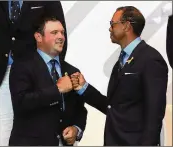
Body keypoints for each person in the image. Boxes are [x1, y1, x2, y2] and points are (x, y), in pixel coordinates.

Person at [71, 6, 168, 145]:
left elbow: (154, 114)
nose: (110, 28)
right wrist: (84, 88)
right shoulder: (121, 62)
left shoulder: (150, 59)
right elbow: (113, 107)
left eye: (112, 24)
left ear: (127, 26)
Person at [8, 16, 87, 146]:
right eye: (54, 32)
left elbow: (80, 109)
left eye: (62, 32)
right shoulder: (22, 66)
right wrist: (57, 90)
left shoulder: (72, 70)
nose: (61, 36)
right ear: (38, 37)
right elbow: (21, 103)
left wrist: (76, 129)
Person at [0, 1, 67, 145]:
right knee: (2, 135)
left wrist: (54, 71)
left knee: (38, 128)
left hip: (35, 73)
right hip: (2, 73)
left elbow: (59, 34)